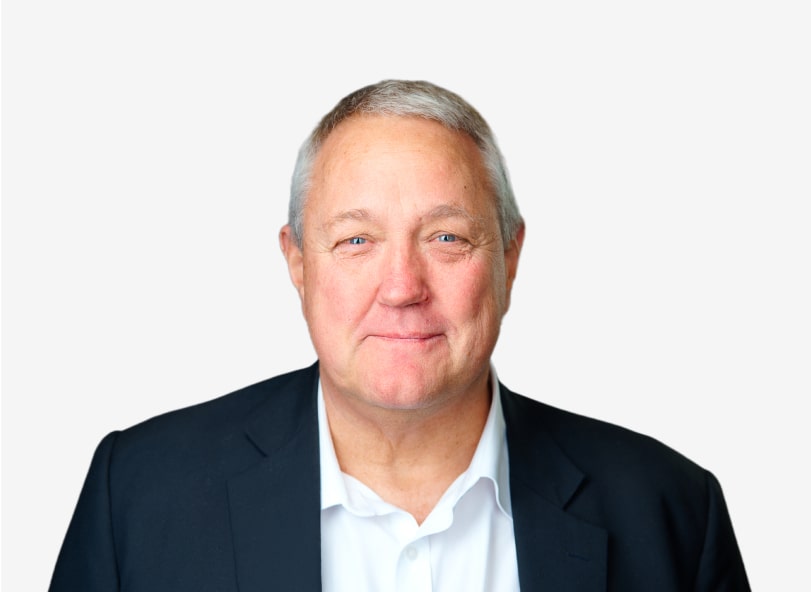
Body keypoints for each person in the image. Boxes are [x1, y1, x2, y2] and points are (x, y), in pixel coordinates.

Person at [49, 80, 750, 591]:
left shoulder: (669, 513)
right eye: (355, 240)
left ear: (509, 256)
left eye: (446, 237)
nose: (402, 288)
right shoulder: (139, 496)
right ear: (297, 262)